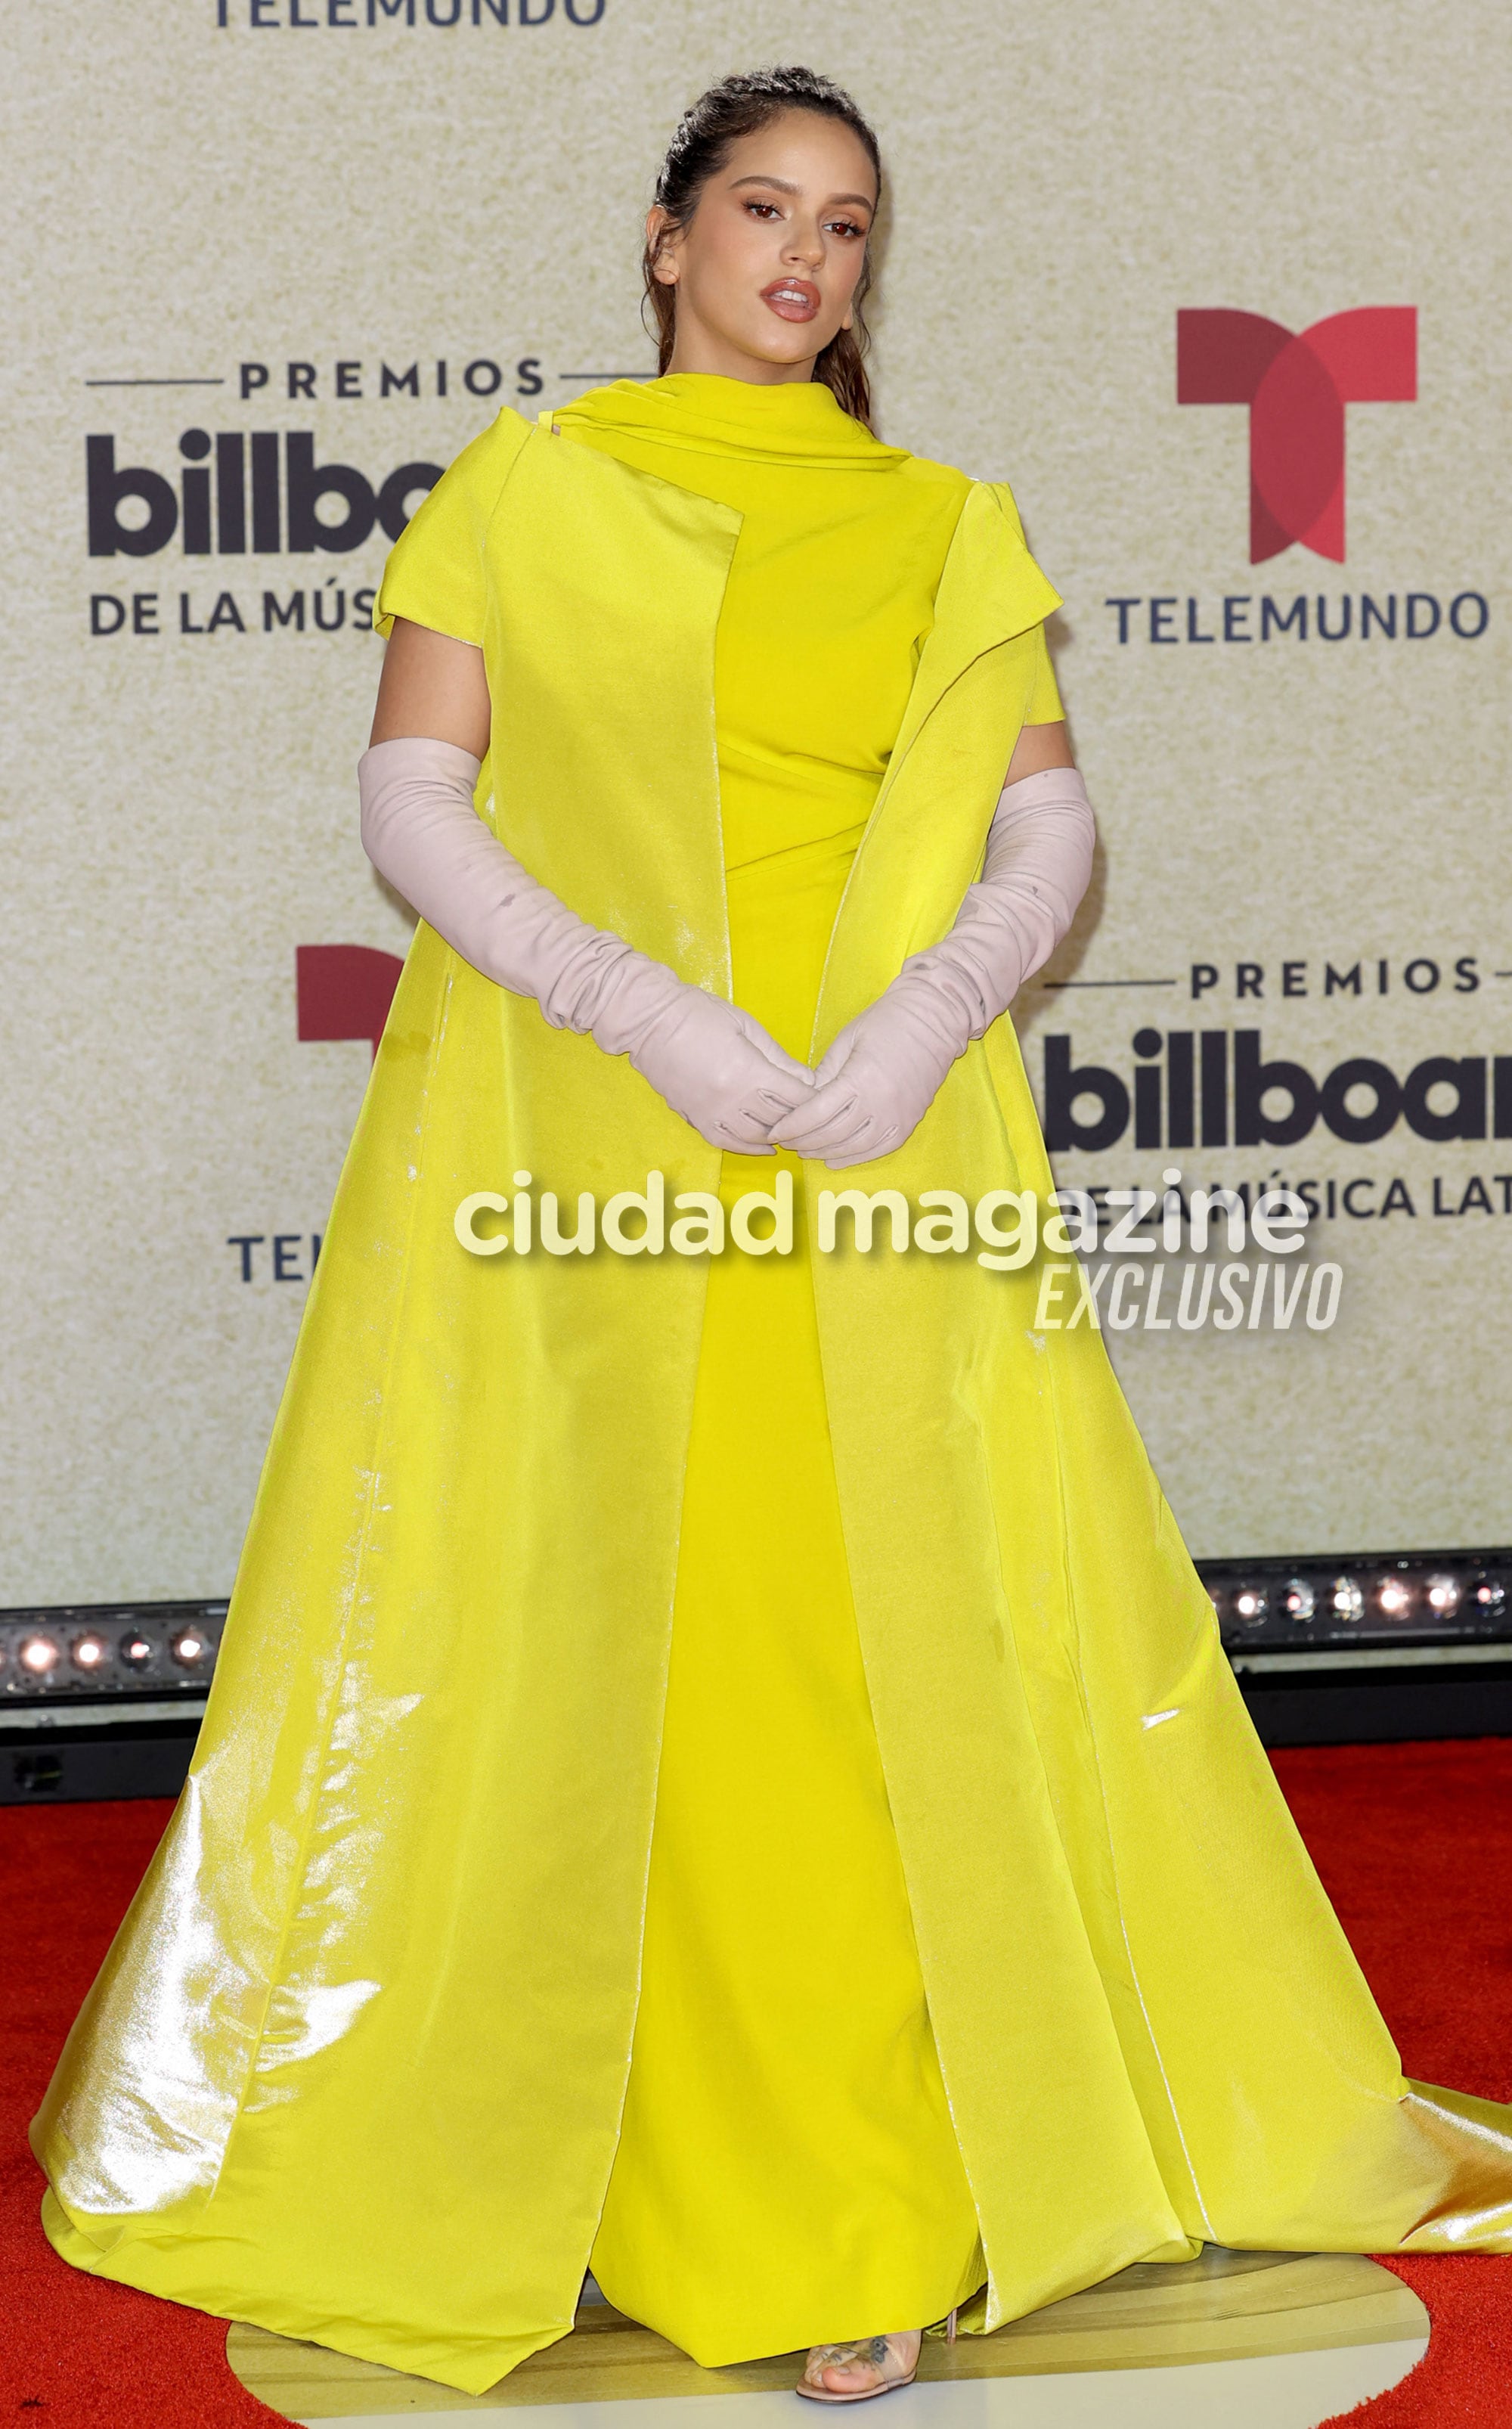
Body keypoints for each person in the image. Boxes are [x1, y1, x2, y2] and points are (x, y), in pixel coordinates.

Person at [34, 63, 1512, 2410]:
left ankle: (852, 2205)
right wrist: (644, 1011)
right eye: (760, 210)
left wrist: (926, 1021)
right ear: (664, 235)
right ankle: (603, 2173)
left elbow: (1049, 828)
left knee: (860, 1660)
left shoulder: (942, 522)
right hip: (609, 1145)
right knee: (620, 1649)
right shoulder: (532, 485)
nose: (803, 260)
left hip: (880, 1153)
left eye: (843, 227)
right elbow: (413, 794)